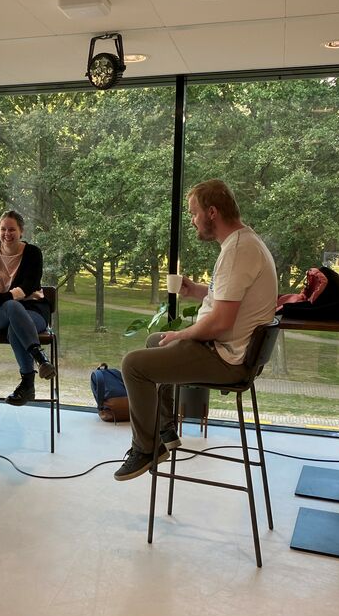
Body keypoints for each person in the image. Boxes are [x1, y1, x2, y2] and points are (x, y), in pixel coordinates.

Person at [114, 179, 277, 481]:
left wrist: (182, 335)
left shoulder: (237, 251)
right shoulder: (244, 242)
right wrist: (197, 291)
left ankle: (145, 448)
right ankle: (164, 430)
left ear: (212, 212)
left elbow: (221, 323)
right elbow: (230, 299)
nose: (192, 221)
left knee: (132, 365)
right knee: (155, 340)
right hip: (232, 352)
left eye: (193, 213)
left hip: (226, 358)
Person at [0, 210, 54, 406]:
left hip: (34, 310)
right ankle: (40, 358)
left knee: (15, 328)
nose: (7, 234)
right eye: (3, 229)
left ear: (21, 231)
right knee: (11, 306)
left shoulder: (33, 253)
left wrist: (1, 296)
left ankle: (27, 385)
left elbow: (29, 285)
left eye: (12, 229)